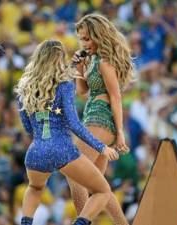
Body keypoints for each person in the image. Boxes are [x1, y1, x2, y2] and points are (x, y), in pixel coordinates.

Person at [15, 39, 120, 225]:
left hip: (36, 151)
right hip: (63, 149)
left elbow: (27, 127)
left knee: (35, 187)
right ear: (59, 60)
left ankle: (25, 223)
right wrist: (101, 147)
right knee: (102, 191)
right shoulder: (64, 86)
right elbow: (74, 124)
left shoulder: (25, 88)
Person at [68, 13, 133, 225]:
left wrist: (120, 132)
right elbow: (82, 91)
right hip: (92, 116)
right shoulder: (93, 60)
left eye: (87, 38)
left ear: (99, 36)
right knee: (98, 186)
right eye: (81, 39)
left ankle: (83, 221)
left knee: (74, 170)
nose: (83, 43)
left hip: (101, 118)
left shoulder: (105, 62)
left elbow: (115, 96)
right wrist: (78, 69)